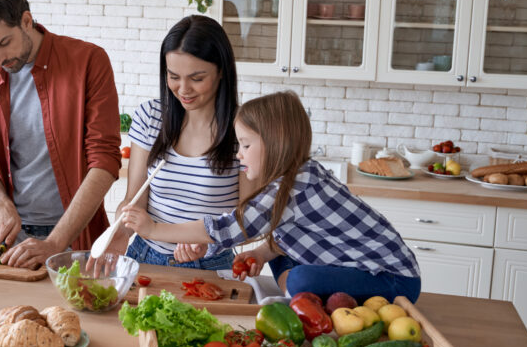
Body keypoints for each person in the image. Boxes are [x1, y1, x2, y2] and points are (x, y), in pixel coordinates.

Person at [122, 91, 422, 302]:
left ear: (275, 144)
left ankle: (296, 290)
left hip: (392, 278)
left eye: (246, 145)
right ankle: (295, 286)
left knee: (302, 280)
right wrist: (262, 253)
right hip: (358, 265)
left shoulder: (294, 186)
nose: (239, 154)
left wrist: (153, 230)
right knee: (282, 253)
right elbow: (285, 231)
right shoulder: (297, 174)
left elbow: (229, 228)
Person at [0, 0, 121, 269]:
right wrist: (1, 206)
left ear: (26, 20)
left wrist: (55, 243)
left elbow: (105, 161)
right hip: (12, 242)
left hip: (74, 238)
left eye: (3, 43)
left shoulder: (88, 61)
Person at [100, 15, 244, 271]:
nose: (183, 89)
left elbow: (247, 219)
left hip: (211, 265)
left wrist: (205, 241)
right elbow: (134, 199)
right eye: (173, 76)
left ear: (221, 71)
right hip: (144, 256)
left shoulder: (243, 130)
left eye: (197, 78)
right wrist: (119, 234)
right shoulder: (151, 117)